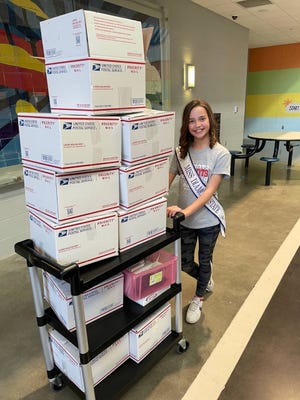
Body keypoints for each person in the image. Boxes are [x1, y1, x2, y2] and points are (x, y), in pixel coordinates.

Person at [167, 99, 230, 324]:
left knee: (204, 260)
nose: (197, 125)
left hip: (208, 221)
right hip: (185, 222)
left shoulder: (220, 154)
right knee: (185, 263)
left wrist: (183, 211)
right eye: (191, 120)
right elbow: (167, 180)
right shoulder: (180, 152)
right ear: (186, 124)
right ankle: (206, 279)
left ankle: (199, 296)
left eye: (202, 118)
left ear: (210, 120)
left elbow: (207, 193)